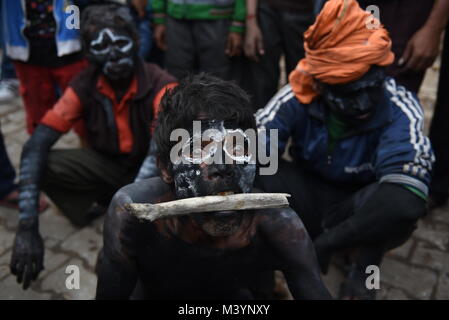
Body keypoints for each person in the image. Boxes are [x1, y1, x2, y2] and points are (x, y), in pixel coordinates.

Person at [95, 73, 332, 300]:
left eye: (237, 148)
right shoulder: (133, 214)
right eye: (199, 149)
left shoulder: (277, 225)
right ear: (166, 169)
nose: (223, 165)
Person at [255, 0, 433, 299]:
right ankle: (278, 254)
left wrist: (323, 245)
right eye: (349, 93)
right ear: (322, 85)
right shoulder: (299, 93)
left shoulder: (401, 105)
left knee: (398, 205)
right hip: (310, 191)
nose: (363, 104)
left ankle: (364, 261)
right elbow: (259, 141)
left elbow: (406, 202)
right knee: (259, 171)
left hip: (360, 202)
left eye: (370, 88)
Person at [10, 3, 176, 290]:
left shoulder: (162, 83)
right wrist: (27, 226)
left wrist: (120, 231)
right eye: (101, 47)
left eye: (121, 43)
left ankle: (136, 225)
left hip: (152, 177)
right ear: (88, 54)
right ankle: (95, 205)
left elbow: (158, 153)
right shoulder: (84, 84)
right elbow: (36, 144)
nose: (113, 54)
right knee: (43, 162)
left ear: (137, 42)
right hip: (112, 166)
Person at [315, 0, 449, 94]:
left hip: (404, 15)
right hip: (353, 7)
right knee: (335, 82)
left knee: (392, 93)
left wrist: (433, 28)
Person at [1, 0, 89, 136]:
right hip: (27, 52)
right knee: (38, 116)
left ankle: (89, 153)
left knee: (83, 114)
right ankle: (41, 153)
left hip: (71, 46)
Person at [243, 0, 314, 110]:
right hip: (266, 11)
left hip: (306, 13)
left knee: (302, 82)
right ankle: (261, 125)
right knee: (262, 86)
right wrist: (251, 21)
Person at [151, 0, 245, 80]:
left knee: (216, 81)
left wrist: (238, 22)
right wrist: (159, 15)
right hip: (176, 16)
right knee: (176, 77)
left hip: (218, 17)